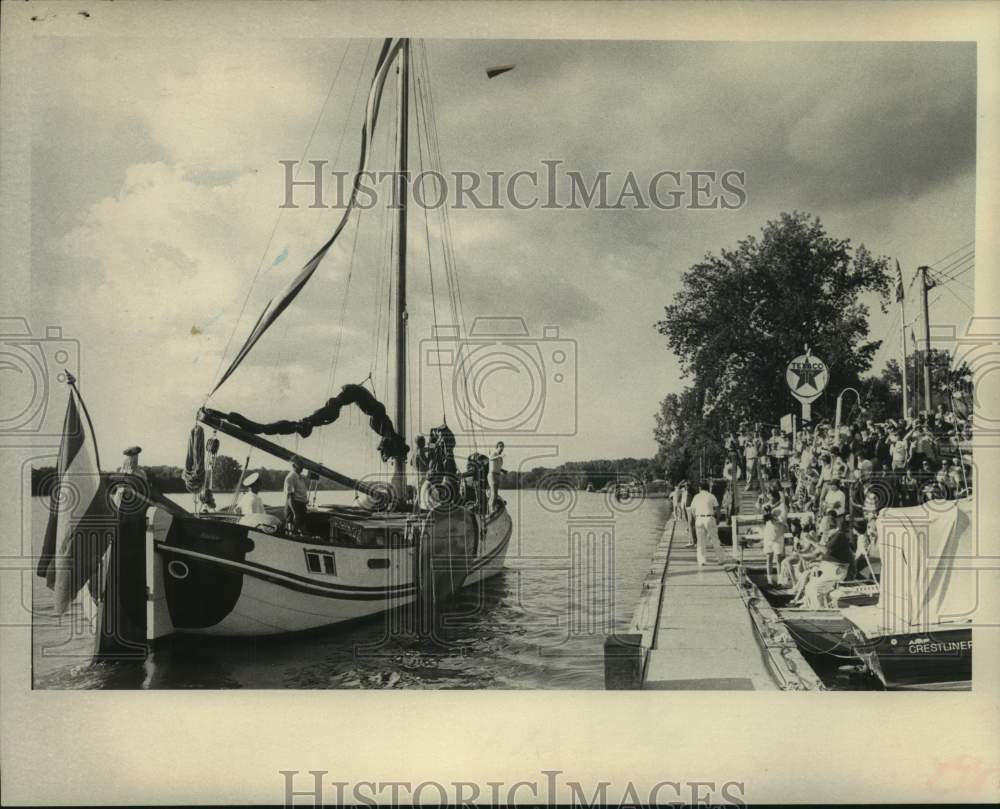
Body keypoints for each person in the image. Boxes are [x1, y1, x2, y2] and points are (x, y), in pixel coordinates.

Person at [689, 480, 725, 566]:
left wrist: (696, 518)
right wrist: (718, 519)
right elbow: (717, 508)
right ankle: (720, 559)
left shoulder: (696, 497)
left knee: (700, 542)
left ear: (700, 488)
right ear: (708, 488)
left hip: (699, 519)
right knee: (715, 540)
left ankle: (702, 561)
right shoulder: (711, 496)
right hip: (709, 518)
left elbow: (692, 510)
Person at [284, 457, 309, 533]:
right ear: (294, 465)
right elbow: (289, 497)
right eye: (300, 465)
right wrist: (295, 513)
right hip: (294, 507)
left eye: (302, 465)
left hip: (301, 507)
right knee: (292, 531)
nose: (302, 467)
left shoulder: (299, 477)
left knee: (303, 530)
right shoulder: (290, 477)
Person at [412, 434, 431, 511]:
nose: (425, 443)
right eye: (424, 441)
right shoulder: (420, 451)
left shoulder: (416, 451)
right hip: (422, 475)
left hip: (417, 475)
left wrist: (432, 447)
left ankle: (415, 513)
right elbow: (426, 463)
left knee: (418, 495)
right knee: (419, 496)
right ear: (420, 443)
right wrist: (430, 458)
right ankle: (415, 513)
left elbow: (411, 463)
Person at [487, 441, 505, 512]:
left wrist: (503, 471)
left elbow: (498, 467)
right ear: (497, 447)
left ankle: (492, 508)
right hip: (492, 475)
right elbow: (490, 458)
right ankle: (491, 509)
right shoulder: (494, 453)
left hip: (497, 475)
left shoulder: (500, 458)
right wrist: (498, 456)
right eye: (500, 446)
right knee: (493, 494)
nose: (501, 448)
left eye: (502, 446)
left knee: (496, 494)